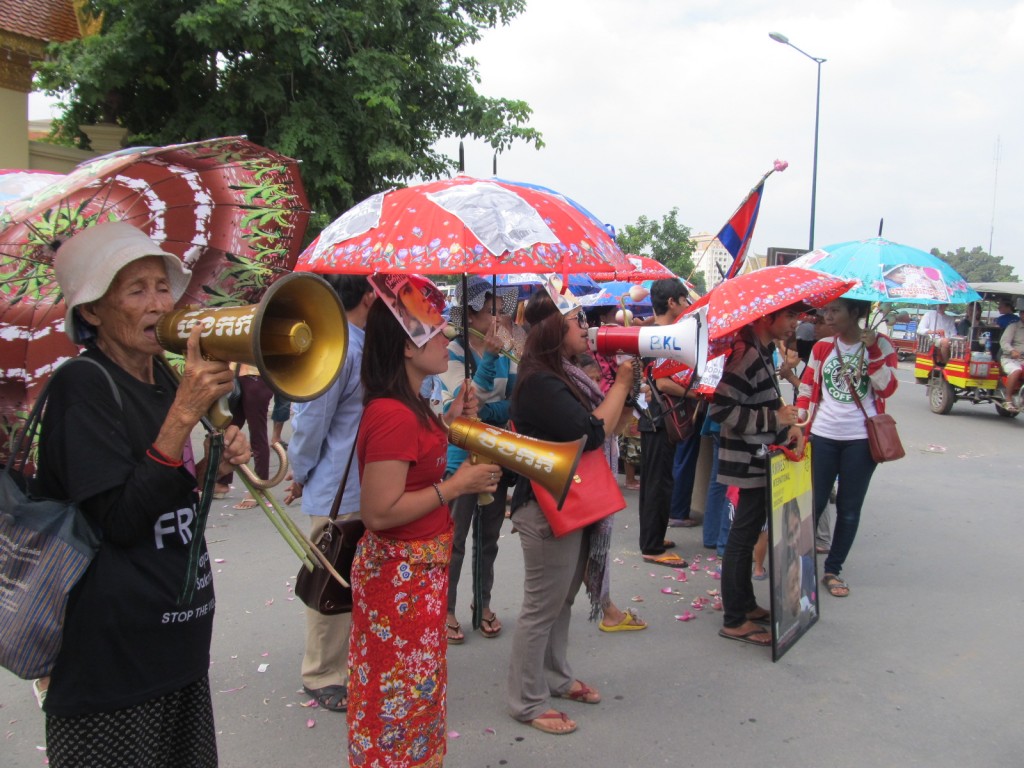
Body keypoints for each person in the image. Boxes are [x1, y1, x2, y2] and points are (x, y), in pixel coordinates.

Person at [38, 221, 251, 767]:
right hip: (113, 669)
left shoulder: (160, 376)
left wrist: (210, 466)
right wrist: (183, 414)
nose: (158, 303)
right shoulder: (80, 387)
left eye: (162, 286)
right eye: (136, 291)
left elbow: (164, 496)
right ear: (92, 312)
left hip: (177, 653)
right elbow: (122, 521)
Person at [349, 277, 499, 767]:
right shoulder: (393, 414)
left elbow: (419, 459)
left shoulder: (414, 405)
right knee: (399, 704)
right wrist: (456, 488)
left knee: (414, 697)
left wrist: (451, 419)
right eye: (435, 332)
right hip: (399, 584)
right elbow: (378, 512)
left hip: (414, 582)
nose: (447, 341)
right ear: (407, 347)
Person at [506, 290, 636, 735]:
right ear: (552, 328)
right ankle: (526, 699)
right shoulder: (540, 382)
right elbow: (591, 434)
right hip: (545, 509)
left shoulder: (563, 373)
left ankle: (557, 678)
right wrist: (620, 383)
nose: (585, 326)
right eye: (577, 319)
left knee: (561, 601)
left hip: (569, 503)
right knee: (541, 607)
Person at [284, 275, 375, 714]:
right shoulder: (337, 350)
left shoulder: (363, 345)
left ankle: (345, 664)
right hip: (338, 487)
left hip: (363, 485)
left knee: (354, 581)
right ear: (369, 296)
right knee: (331, 582)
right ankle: (321, 674)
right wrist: (299, 472)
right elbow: (310, 421)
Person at [711, 305, 805, 647]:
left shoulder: (761, 351)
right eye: (790, 316)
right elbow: (721, 408)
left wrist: (787, 425)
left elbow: (764, 404)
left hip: (761, 456)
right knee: (742, 537)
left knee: (747, 534)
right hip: (748, 459)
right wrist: (775, 420)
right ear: (767, 317)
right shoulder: (746, 354)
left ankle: (745, 605)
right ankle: (734, 619)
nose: (795, 323)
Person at [796, 298, 898, 598]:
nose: (828, 316)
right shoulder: (823, 347)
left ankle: (833, 569)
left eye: (835, 310)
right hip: (823, 436)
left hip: (861, 440)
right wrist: (800, 427)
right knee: (812, 506)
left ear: (856, 313)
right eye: (827, 310)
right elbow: (806, 388)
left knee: (849, 509)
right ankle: (801, 564)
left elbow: (887, 388)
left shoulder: (882, 346)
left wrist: (875, 352)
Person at [441, 275, 519, 643]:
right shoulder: (453, 352)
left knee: (490, 538)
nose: (499, 320)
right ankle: (447, 609)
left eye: (501, 312)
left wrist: (486, 415)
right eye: (491, 312)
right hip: (460, 459)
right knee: (454, 540)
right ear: (470, 317)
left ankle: (482, 603)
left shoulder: (508, 351)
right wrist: (486, 360)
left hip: (497, 454)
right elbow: (463, 399)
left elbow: (513, 402)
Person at [639, 279, 696, 561]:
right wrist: (693, 392)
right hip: (658, 416)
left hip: (656, 416)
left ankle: (655, 535)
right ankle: (652, 547)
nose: (687, 305)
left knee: (659, 480)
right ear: (671, 302)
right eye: (683, 299)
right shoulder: (660, 335)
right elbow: (661, 382)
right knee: (657, 482)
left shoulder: (654, 331)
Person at [216, 363, 273, 509]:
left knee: (257, 435)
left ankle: (259, 486)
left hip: (256, 376)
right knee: (228, 432)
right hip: (236, 374)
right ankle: (222, 482)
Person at [999, 307, 1024, 411]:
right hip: (1010, 359)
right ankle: (1008, 399)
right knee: (1016, 370)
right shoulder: (1013, 327)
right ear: (1021, 314)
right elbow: (1004, 342)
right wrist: (1012, 351)